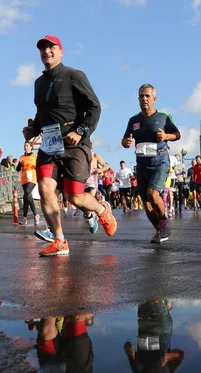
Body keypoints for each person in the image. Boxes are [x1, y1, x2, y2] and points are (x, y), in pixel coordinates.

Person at [23, 34, 116, 257]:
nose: (46, 52)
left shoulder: (74, 75)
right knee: (45, 187)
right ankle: (60, 241)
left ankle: (102, 209)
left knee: (74, 197)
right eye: (42, 49)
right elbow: (42, 113)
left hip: (75, 144)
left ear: (61, 51)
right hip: (49, 143)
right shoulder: (39, 82)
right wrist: (33, 129)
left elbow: (94, 107)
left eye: (51, 48)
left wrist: (81, 130)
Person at [122, 84, 181, 243]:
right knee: (146, 205)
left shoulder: (163, 116)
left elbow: (177, 134)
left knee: (153, 193)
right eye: (141, 96)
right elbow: (125, 139)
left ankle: (164, 222)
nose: (144, 99)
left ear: (154, 99)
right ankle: (159, 230)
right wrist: (126, 142)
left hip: (160, 161)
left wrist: (166, 136)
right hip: (142, 164)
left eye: (147, 96)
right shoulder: (133, 120)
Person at [16, 141, 40, 225]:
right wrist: (20, 164)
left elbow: (38, 167)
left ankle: (32, 215)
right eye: (24, 145)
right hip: (24, 179)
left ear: (31, 147)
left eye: (27, 145)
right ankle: (28, 217)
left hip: (32, 178)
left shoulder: (35, 156)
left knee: (26, 194)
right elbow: (18, 169)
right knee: (27, 196)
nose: (25, 147)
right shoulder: (22, 157)